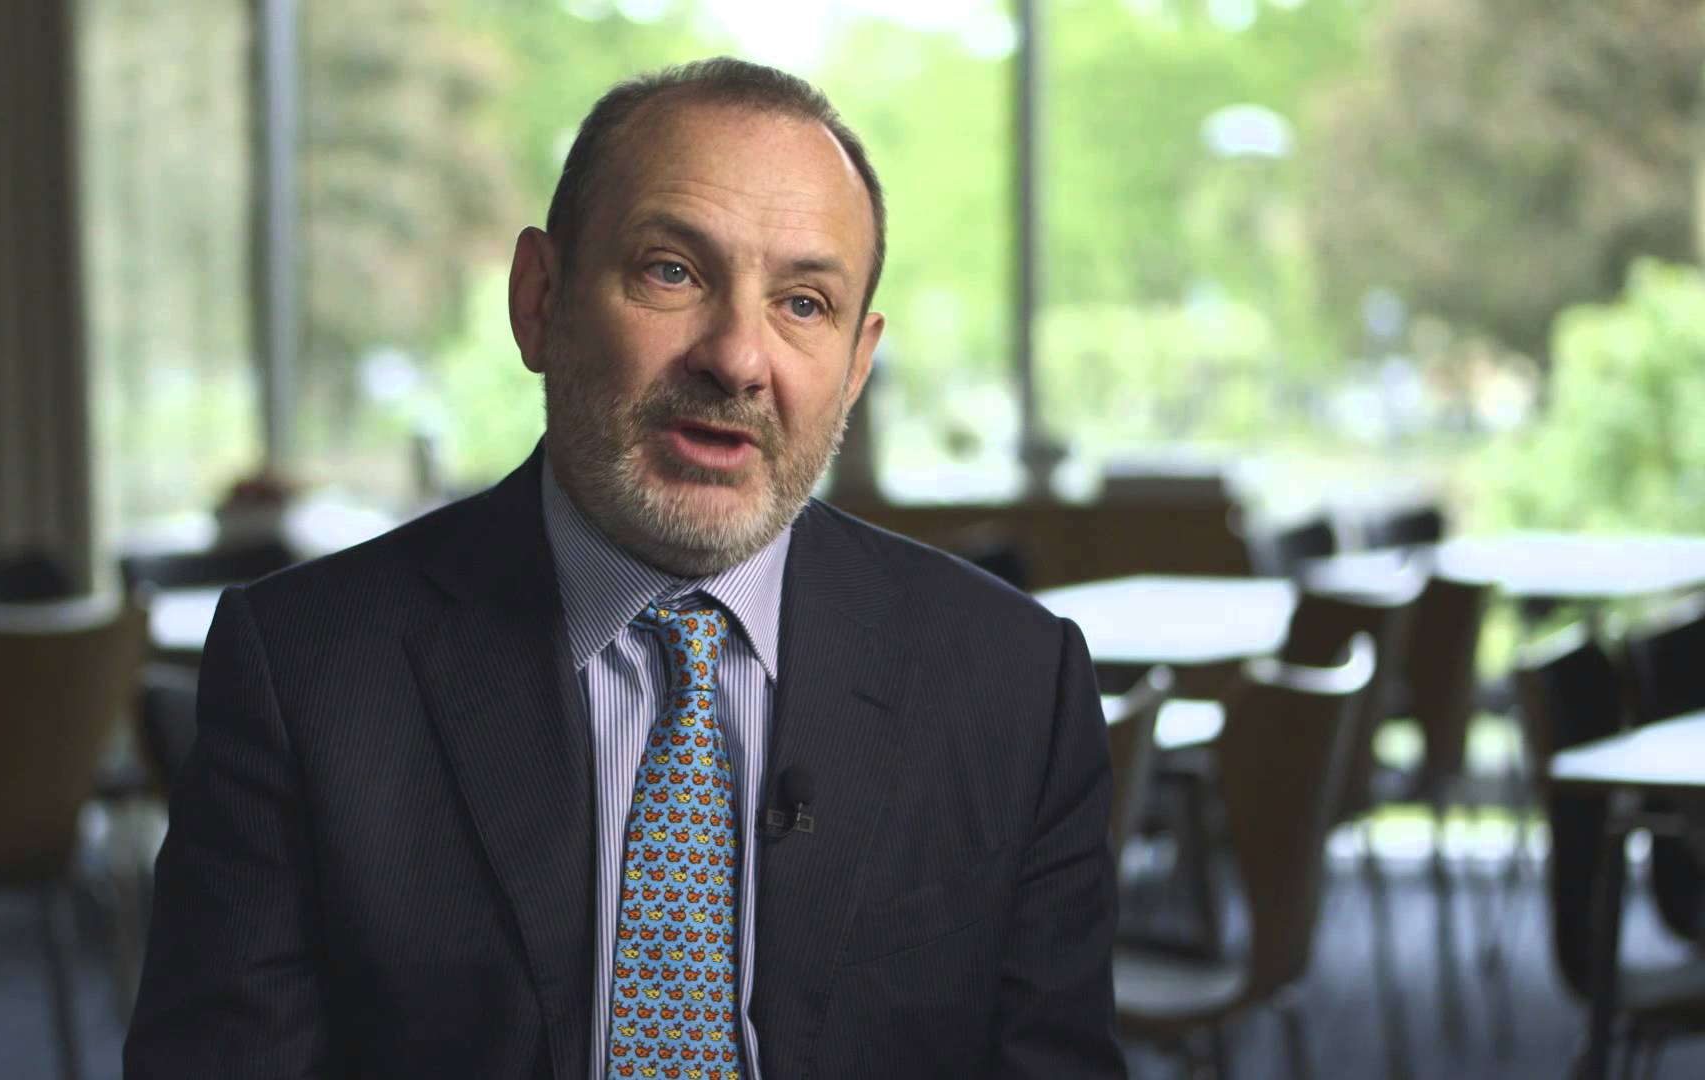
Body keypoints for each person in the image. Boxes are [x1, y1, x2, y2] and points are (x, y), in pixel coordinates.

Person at [125, 57, 1123, 1080]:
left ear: (857, 364)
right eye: (672, 272)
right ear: (539, 300)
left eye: (804, 303)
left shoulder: (1015, 683)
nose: (737, 358)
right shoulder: (306, 670)